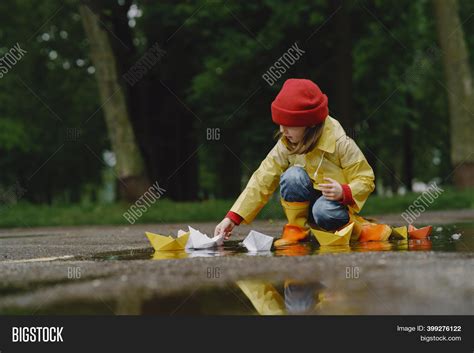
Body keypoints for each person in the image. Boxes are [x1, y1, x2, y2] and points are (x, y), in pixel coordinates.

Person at [215, 78, 389, 246]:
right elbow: (263, 178)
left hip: (333, 207)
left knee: (323, 210)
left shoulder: (340, 142)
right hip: (307, 206)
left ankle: (357, 229)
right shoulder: (286, 144)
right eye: (280, 124)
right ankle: (296, 231)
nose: (283, 131)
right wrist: (232, 217)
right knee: (292, 176)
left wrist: (344, 192)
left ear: (310, 124)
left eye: (289, 125)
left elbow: (365, 179)